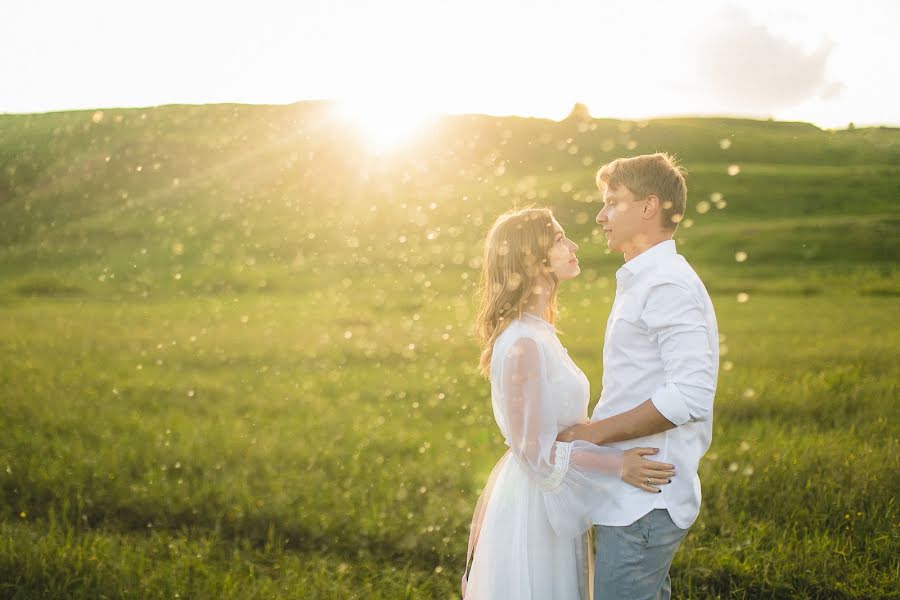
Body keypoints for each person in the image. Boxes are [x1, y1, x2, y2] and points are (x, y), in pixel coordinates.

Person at [461, 207, 677, 600]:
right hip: (533, 507)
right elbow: (534, 452)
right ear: (534, 257)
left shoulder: (538, 331)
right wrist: (618, 465)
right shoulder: (523, 342)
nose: (573, 245)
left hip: (549, 500)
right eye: (560, 239)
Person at [558, 153, 720, 600]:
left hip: (644, 501)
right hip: (627, 493)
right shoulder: (644, 280)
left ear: (649, 207)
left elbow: (689, 396)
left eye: (612, 202)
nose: (600, 215)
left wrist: (591, 434)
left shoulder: (665, 283)